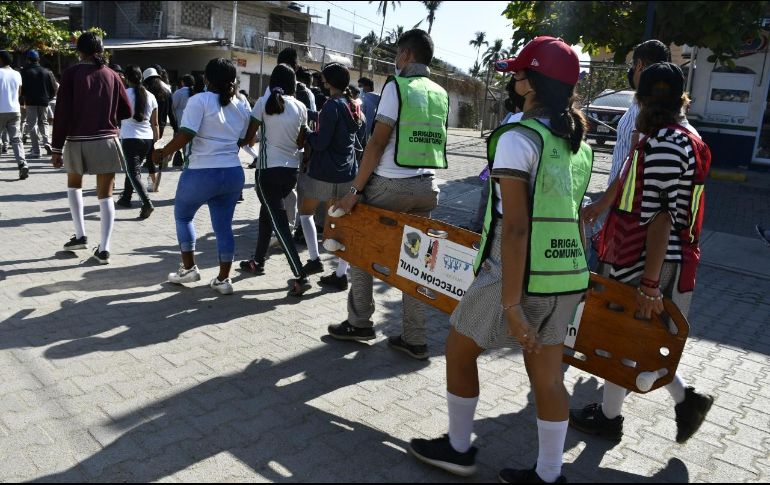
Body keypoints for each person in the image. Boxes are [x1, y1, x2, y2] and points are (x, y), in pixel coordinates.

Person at [407, 36, 593, 483]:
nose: (513, 79)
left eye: (519, 72)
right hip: (566, 275)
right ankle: (549, 475)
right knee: (548, 379)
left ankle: (457, 448)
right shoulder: (578, 144)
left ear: (533, 83)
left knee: (458, 348)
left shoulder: (518, 137)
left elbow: (514, 227)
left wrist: (510, 305)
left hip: (514, 273)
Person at [572, 62, 714, 445]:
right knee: (628, 339)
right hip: (643, 255)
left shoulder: (667, 142)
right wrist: (600, 206)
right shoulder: (668, 135)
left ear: (640, 99)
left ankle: (616, 417)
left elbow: (662, 217)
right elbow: (634, 175)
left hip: (645, 259)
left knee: (625, 338)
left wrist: (650, 284)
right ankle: (677, 402)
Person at [329, 29, 449, 360]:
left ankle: (360, 322)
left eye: (398, 54)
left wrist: (354, 190)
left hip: (390, 185)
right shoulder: (440, 92)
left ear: (407, 56)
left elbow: (378, 142)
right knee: (417, 264)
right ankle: (415, 338)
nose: (395, 60)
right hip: (427, 187)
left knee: (360, 247)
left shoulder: (398, 87)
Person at [152, 58, 250, 295]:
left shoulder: (199, 101)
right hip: (233, 173)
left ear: (206, 78)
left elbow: (186, 134)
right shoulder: (242, 105)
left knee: (183, 216)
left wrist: (164, 153)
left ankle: (189, 269)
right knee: (223, 226)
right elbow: (246, 139)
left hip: (201, 171)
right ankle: (224, 280)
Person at [51, 32, 132, 264]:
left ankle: (80, 235)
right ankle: (104, 249)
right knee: (105, 195)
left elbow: (62, 113)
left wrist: (56, 149)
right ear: (101, 50)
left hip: (77, 141)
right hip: (106, 140)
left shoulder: (71, 74)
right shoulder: (113, 75)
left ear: (79, 50)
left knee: (74, 185)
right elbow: (127, 110)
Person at [239, 63, 311, 296]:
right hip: (290, 172)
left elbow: (249, 139)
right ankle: (257, 262)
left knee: (278, 224)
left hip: (267, 172)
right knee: (267, 217)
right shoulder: (301, 106)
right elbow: (301, 143)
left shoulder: (262, 103)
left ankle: (300, 275)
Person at [295, 63, 363, 291]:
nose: (321, 83)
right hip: (347, 174)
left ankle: (314, 260)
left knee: (306, 213)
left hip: (323, 173)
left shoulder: (331, 106)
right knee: (343, 224)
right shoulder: (352, 105)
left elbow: (322, 142)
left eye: (323, 79)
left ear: (330, 82)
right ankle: (341, 274)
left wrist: (307, 134)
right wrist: (312, 113)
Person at [466, 74, 525, 233]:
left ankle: (478, 227)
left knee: (489, 197)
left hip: (506, 231)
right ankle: (478, 225)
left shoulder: (515, 123)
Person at [117, 65, 158, 219]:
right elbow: (155, 122)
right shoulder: (151, 96)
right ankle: (126, 198)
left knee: (133, 172)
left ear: (127, 79)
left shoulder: (124, 94)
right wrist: (156, 139)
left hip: (129, 137)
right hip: (147, 138)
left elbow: (117, 115)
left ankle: (146, 202)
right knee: (133, 170)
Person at [143, 66, 177, 192]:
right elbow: (171, 113)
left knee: (149, 155)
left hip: (146, 126)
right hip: (160, 128)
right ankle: (155, 181)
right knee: (156, 152)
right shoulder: (167, 91)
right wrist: (175, 127)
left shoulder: (146, 91)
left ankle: (152, 181)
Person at [21, 50, 57, 159]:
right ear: (38, 59)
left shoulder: (25, 72)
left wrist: (23, 99)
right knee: (44, 122)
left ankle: (36, 150)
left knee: (32, 124)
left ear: (28, 59)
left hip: (31, 102)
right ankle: (47, 142)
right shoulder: (47, 72)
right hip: (44, 101)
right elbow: (54, 87)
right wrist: (49, 98)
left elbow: (21, 89)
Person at [0, 50, 27, 180]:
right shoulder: (17, 74)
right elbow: (19, 92)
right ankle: (22, 164)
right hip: (14, 110)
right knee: (16, 139)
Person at [170, 74, 195, 167]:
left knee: (179, 142)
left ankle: (181, 162)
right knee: (189, 144)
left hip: (180, 122)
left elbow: (172, 107)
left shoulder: (179, 93)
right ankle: (187, 162)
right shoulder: (196, 92)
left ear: (182, 82)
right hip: (193, 123)